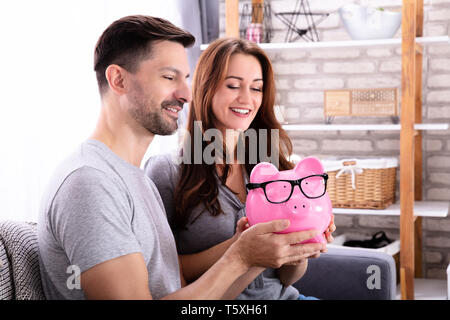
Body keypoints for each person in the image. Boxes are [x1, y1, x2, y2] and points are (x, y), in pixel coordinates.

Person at [37, 15, 326, 300]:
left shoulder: (135, 181)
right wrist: (239, 256)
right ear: (118, 79)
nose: (187, 94)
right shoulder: (90, 184)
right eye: (168, 77)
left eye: (186, 79)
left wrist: (251, 252)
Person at [145, 37, 336, 300]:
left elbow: (286, 279)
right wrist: (241, 247)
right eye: (233, 85)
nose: (246, 99)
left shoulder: (269, 162)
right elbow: (165, 271)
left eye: (256, 88)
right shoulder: (168, 171)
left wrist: (299, 248)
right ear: (205, 88)